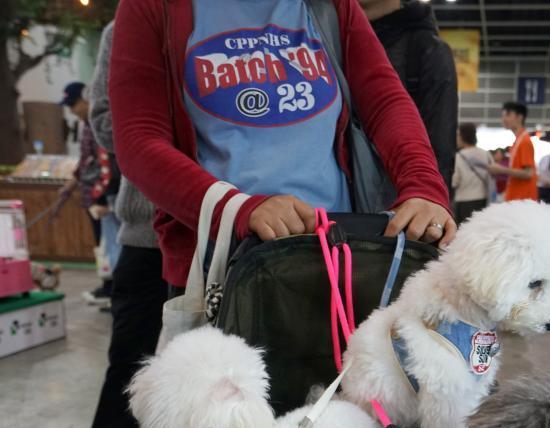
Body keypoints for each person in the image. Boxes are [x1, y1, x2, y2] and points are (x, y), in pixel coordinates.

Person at [108, 0, 454, 299]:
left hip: (336, 255)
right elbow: (139, 139)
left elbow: (385, 100)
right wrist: (240, 210)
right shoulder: (155, 8)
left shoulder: (329, 6)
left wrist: (423, 187)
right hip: (221, 267)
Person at [29, 22, 167, 428]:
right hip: (150, 228)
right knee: (128, 358)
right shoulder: (127, 26)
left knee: (244, 368)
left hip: (243, 227)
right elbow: (107, 121)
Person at [359, 0, 458, 196]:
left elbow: (440, 144)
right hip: (325, 205)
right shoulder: (329, 39)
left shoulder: (426, 49)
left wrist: (433, 202)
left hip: (395, 206)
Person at [59, 82, 119, 307]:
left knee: (112, 246)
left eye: (74, 104)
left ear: (87, 100)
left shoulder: (99, 125)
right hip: (93, 197)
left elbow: (107, 163)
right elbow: (87, 162)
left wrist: (102, 198)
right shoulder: (86, 125)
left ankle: (114, 290)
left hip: (105, 197)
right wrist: (72, 184)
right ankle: (109, 288)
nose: (72, 110)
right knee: (103, 247)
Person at [487, 102, 538, 202]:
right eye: (503, 115)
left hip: (523, 199)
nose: (504, 119)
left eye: (508, 114)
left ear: (520, 117)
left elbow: (528, 173)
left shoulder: (525, 141)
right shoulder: (517, 141)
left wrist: (501, 169)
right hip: (517, 197)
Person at [451, 122, 491, 222]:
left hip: (464, 201)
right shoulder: (485, 154)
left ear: (462, 136)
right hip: (483, 199)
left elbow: (455, 181)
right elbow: (491, 175)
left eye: (458, 135)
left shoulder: (459, 156)